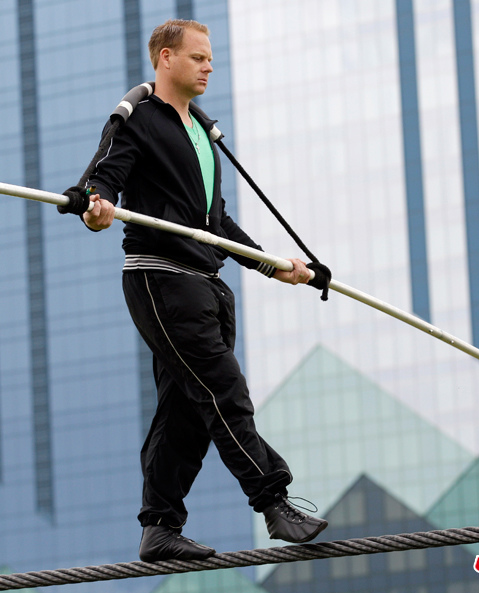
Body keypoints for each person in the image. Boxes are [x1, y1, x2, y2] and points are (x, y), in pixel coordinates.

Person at [82, 18, 327, 563]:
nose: (208, 66)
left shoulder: (202, 132)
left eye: (210, 58)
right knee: (223, 390)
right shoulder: (138, 118)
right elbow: (104, 179)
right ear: (165, 59)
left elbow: (213, 221)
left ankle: (160, 528)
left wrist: (273, 266)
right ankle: (274, 502)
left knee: (186, 410)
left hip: (207, 284)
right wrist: (96, 207)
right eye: (197, 57)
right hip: (162, 279)